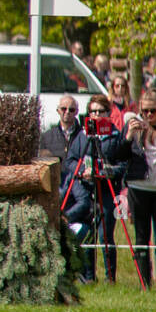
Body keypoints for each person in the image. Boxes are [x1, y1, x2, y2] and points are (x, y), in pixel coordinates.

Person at [60, 95, 126, 283]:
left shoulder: (115, 136)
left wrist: (107, 171)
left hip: (107, 191)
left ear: (108, 113)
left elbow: (123, 165)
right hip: (87, 190)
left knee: (106, 235)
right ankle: (88, 277)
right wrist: (82, 171)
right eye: (93, 112)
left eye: (100, 111)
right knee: (88, 234)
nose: (96, 115)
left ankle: (110, 277)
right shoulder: (83, 135)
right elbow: (71, 160)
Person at [110, 91, 156, 289]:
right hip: (138, 188)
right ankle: (145, 284)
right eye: (144, 111)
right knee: (141, 237)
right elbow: (118, 155)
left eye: (152, 111)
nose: (147, 115)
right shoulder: (134, 128)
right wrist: (128, 137)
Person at [41, 95, 82, 160]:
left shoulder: (83, 135)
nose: (67, 112)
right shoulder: (47, 137)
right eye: (64, 109)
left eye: (71, 110)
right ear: (58, 111)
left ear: (76, 112)